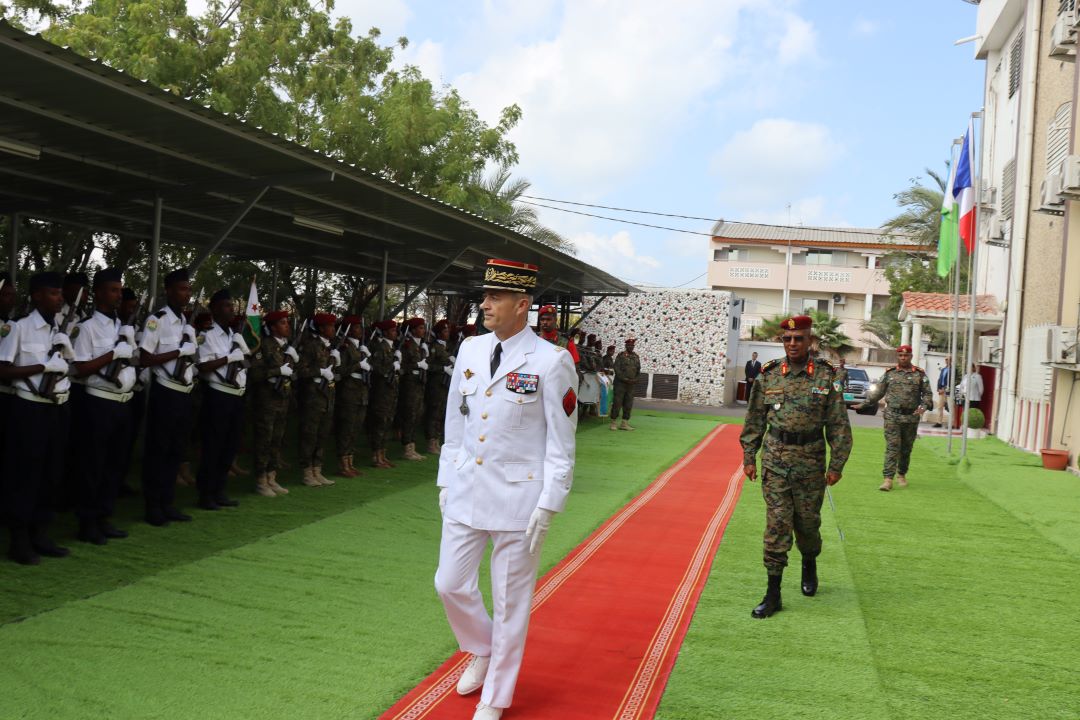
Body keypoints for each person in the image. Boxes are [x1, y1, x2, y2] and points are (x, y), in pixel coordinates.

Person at [434, 258, 578, 720]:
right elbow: (455, 420)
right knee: (449, 583)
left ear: (522, 304)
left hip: (520, 498)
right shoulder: (471, 350)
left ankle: (495, 698)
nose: (485, 304)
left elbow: (561, 442)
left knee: (511, 602)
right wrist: (445, 476)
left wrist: (551, 503)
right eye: (485, 295)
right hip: (466, 487)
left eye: (494, 297)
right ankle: (481, 646)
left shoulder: (552, 362)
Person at [739, 315, 852, 618]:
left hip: (811, 463)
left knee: (807, 524)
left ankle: (809, 561)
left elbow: (839, 426)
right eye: (787, 339)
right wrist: (749, 456)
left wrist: (837, 463)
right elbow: (754, 420)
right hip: (775, 460)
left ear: (809, 341)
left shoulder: (826, 377)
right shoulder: (769, 375)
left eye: (798, 338)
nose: (792, 344)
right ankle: (772, 593)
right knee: (777, 525)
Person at [0, 272, 75, 564]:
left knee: (51, 473)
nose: (59, 298)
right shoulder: (18, 328)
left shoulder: (59, 330)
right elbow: (3, 370)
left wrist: (63, 359)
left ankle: (40, 533)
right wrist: (41, 367)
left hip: (58, 406)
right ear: (37, 296)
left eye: (60, 294)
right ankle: (19, 541)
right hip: (29, 409)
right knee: (26, 474)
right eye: (53, 293)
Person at [69, 267, 137, 544]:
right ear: (97, 293)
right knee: (92, 465)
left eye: (120, 290)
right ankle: (87, 523)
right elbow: (79, 369)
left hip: (123, 403)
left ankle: (104, 517)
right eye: (113, 289)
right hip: (97, 404)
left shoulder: (121, 326)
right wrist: (112, 354)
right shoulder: (85, 327)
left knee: (115, 464)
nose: (118, 294)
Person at [139, 268, 197, 526]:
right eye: (183, 289)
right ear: (169, 290)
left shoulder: (184, 322)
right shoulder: (158, 320)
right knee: (159, 450)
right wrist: (177, 352)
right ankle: (153, 506)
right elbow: (145, 358)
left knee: (176, 450)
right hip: (165, 391)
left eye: (189, 289)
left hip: (183, 392)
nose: (187, 294)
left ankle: (168, 502)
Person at [193, 288, 250, 510]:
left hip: (235, 395)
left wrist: (242, 351)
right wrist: (229, 357)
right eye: (226, 305)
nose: (231, 309)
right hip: (217, 395)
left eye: (232, 305)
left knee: (230, 445)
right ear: (214, 309)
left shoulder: (232, 334)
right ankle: (205, 493)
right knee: (213, 445)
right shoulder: (206, 335)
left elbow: (247, 363)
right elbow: (203, 366)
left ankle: (219, 490)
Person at [858, 344, 933, 491]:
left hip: (911, 417)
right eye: (900, 355)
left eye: (906, 355)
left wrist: (924, 406)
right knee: (892, 447)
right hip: (892, 415)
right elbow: (878, 392)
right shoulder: (889, 373)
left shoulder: (919, 374)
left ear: (911, 356)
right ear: (897, 356)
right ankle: (887, 479)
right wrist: (864, 404)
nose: (903, 358)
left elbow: (928, 394)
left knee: (906, 448)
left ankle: (902, 474)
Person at [248, 309, 296, 496]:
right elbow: (255, 374)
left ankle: (272, 477)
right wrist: (277, 372)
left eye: (287, 322)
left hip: (283, 399)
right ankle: (261, 480)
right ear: (273, 327)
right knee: (264, 441)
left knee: (277, 440)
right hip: (266, 401)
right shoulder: (263, 346)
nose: (287, 326)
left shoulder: (286, 347)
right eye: (283, 323)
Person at [296, 312, 338, 488]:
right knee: (310, 436)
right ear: (321, 328)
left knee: (322, 435)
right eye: (331, 326)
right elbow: (301, 370)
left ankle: (317, 470)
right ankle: (307, 472)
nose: (333, 329)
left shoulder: (328, 346)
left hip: (327, 397)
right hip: (313, 397)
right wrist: (319, 372)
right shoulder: (311, 345)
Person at [334, 315, 370, 477]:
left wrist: (369, 358)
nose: (360, 330)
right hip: (349, 393)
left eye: (360, 327)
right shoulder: (344, 347)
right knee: (346, 429)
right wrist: (357, 365)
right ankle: (343, 465)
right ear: (348, 329)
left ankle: (350, 462)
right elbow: (339, 372)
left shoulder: (359, 347)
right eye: (356, 327)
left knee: (355, 428)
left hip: (361, 393)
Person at [368, 319, 401, 468]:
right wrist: (390, 367)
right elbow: (375, 369)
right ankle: (376, 456)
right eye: (393, 330)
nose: (395, 333)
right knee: (380, 424)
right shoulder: (381, 347)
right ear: (386, 332)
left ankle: (383, 454)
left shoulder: (392, 348)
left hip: (391, 392)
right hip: (382, 392)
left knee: (387, 423)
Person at [398, 317, 429, 461]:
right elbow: (402, 367)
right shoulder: (406, 345)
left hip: (419, 385)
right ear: (413, 329)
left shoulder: (421, 345)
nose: (424, 330)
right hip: (410, 385)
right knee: (409, 416)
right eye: (421, 328)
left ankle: (412, 446)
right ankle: (407, 448)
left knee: (417, 415)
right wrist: (417, 365)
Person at [425, 318, 453, 455]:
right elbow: (427, 366)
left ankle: (436, 440)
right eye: (445, 331)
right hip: (435, 385)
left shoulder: (444, 346)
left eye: (448, 330)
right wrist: (443, 369)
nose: (448, 333)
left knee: (440, 413)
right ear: (439, 333)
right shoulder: (434, 347)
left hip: (443, 386)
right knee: (434, 413)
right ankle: (431, 442)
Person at [610, 337, 641, 431]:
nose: (631, 347)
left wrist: (636, 379)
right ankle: (613, 422)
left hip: (631, 384)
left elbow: (638, 370)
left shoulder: (636, 356)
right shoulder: (621, 356)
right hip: (620, 384)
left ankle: (624, 423)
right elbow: (616, 368)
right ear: (626, 346)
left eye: (632, 345)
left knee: (628, 403)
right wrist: (624, 379)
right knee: (617, 403)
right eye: (629, 345)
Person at [933, 356, 953, 428]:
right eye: (946, 359)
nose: (946, 361)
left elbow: (952, 381)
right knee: (939, 407)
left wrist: (944, 389)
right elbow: (940, 379)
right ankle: (939, 422)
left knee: (950, 408)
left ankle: (951, 424)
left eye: (948, 359)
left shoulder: (953, 370)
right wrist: (938, 388)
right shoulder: (943, 369)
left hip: (948, 391)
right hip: (941, 391)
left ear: (951, 360)